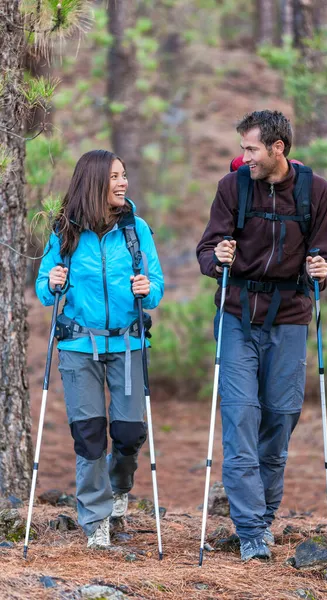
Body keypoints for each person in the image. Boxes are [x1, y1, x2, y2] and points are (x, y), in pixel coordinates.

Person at [196, 110, 327, 562]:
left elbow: (324, 257)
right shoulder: (231, 188)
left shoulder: (316, 192)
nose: (244, 157)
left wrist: (323, 268)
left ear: (278, 148)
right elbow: (206, 250)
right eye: (243, 148)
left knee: (280, 419)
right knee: (240, 420)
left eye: (251, 148)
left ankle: (265, 513)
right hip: (236, 317)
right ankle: (252, 530)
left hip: (291, 318)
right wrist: (217, 254)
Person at [36, 150, 164, 549]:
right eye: (114, 177)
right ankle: (96, 520)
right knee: (89, 434)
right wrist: (53, 280)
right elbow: (43, 288)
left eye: (124, 175)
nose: (123, 183)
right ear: (94, 182)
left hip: (127, 342)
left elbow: (156, 284)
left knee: (128, 431)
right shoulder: (64, 231)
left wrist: (148, 289)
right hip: (78, 344)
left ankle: (120, 487)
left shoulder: (136, 229)